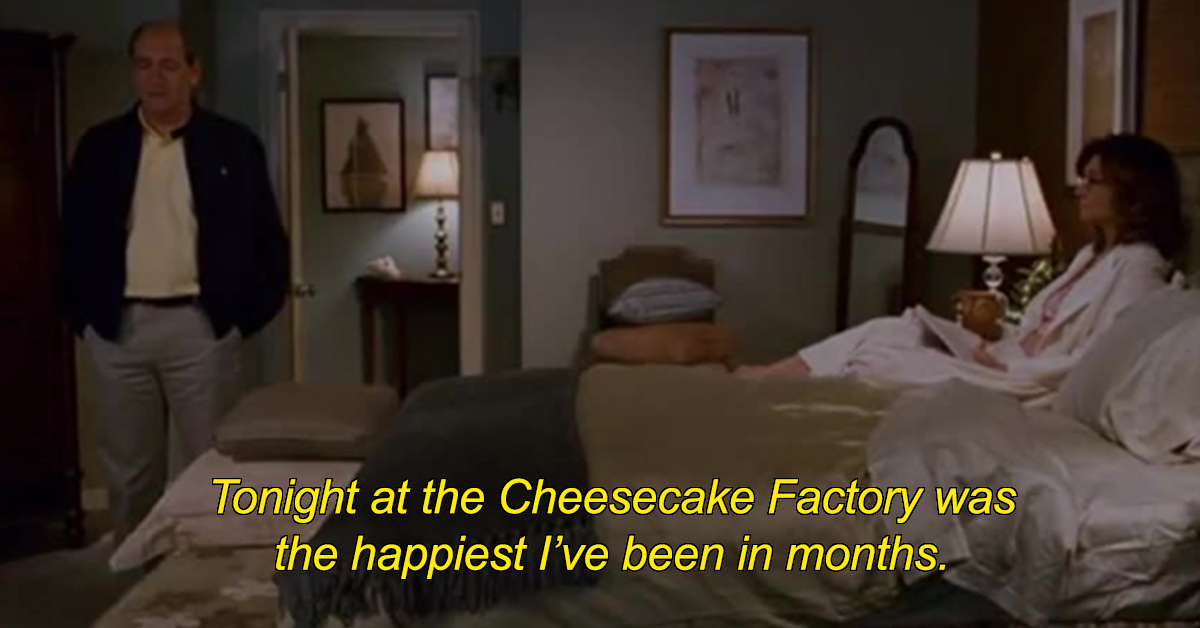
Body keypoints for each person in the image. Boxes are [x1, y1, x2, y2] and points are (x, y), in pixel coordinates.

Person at [736, 134, 1186, 402]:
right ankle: (770, 375)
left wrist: (1007, 367)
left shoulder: (1139, 269)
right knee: (895, 328)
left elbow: (1102, 359)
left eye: (1093, 181)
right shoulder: (1092, 256)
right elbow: (1038, 328)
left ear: (1132, 192)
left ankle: (772, 385)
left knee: (882, 356)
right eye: (1082, 179)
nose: (1080, 190)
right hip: (1006, 358)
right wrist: (993, 334)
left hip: (1028, 382)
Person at [61, 21, 290, 542]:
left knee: (210, 470)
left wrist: (236, 321)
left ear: (193, 71)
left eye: (168, 65)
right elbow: (70, 239)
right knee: (129, 477)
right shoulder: (100, 147)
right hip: (119, 330)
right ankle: (138, 583)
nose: (155, 77)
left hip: (200, 329)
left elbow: (268, 242)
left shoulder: (234, 145)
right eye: (143, 65)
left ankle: (206, 579)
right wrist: (86, 320)